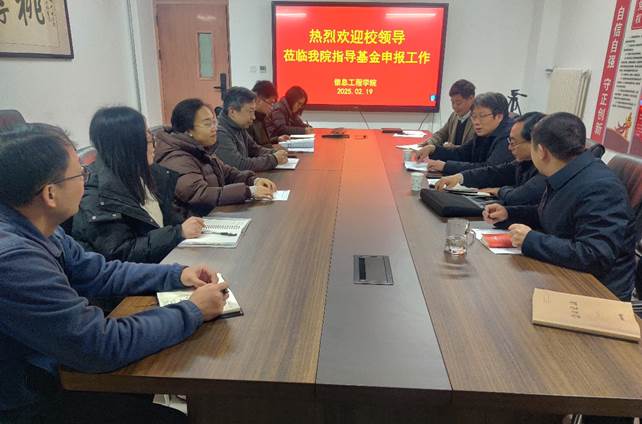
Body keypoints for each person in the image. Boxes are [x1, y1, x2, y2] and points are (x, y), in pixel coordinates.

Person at [0, 123, 230, 423]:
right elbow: (99, 345)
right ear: (50, 193)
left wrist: (177, 275)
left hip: (50, 370)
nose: (87, 179)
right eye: (80, 174)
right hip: (28, 403)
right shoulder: (15, 261)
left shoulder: (37, 225)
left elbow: (100, 272)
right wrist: (193, 311)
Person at [483, 112, 636, 301]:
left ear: (541, 151)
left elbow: (595, 255)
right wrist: (509, 214)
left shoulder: (601, 187)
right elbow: (556, 214)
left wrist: (531, 240)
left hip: (596, 292)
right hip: (567, 273)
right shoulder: (569, 171)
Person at [72, 107, 205, 263]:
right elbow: (122, 253)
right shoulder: (97, 194)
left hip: (166, 260)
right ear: (127, 146)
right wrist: (177, 233)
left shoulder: (147, 173)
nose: (154, 144)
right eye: (148, 139)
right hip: (139, 273)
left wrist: (187, 224)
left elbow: (166, 220)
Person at [154, 98, 277, 218]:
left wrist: (253, 180)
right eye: (208, 124)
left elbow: (227, 173)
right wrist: (249, 191)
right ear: (188, 130)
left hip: (213, 214)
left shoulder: (200, 148)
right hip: (196, 224)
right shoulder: (176, 158)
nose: (214, 128)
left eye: (214, 122)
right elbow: (200, 194)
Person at [435, 112, 546, 206]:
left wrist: (498, 191)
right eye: (474, 117)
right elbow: (495, 172)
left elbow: (519, 196)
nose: (509, 147)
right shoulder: (523, 161)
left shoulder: (546, 170)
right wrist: (460, 177)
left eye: (513, 142)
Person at [416, 92, 514, 175]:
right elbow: (461, 153)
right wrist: (433, 150)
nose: (476, 122)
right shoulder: (485, 133)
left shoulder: (508, 137)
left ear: (499, 117)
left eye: (482, 116)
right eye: (473, 116)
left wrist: (446, 166)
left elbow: (489, 170)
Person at [214, 86, 289, 171]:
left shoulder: (239, 127)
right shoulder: (219, 133)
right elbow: (239, 165)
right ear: (232, 111)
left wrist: (275, 153)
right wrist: (273, 159)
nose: (253, 117)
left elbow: (255, 149)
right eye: (250, 111)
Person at [418, 79, 476, 148]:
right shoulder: (454, 116)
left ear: (471, 98)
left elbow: (476, 148)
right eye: (452, 102)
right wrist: (430, 142)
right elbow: (441, 134)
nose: (454, 106)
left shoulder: (479, 119)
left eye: (458, 103)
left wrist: (455, 148)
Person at [248, 80, 289, 147]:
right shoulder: (248, 120)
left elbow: (264, 142)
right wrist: (273, 150)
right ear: (258, 99)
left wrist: (277, 139)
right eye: (270, 103)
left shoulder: (261, 117)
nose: (271, 107)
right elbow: (253, 149)